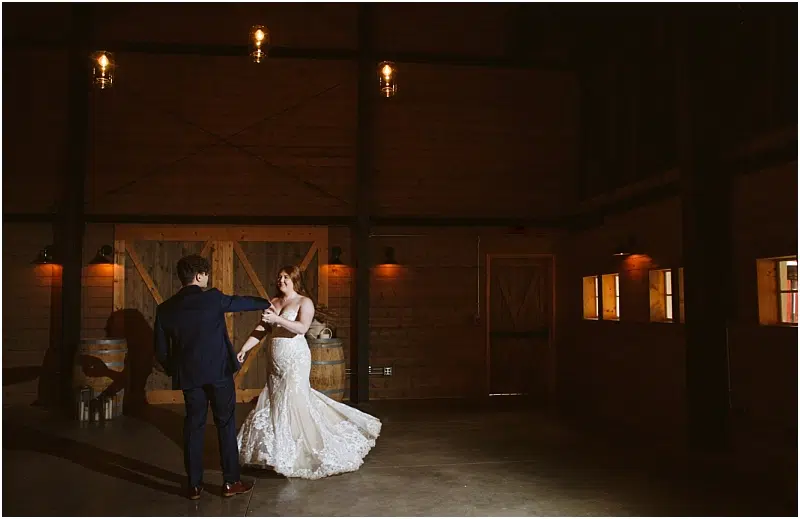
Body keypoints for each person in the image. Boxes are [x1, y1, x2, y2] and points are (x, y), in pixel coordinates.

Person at [236, 265, 381, 479]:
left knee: (294, 400)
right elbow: (261, 329)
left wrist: (277, 319)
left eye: (286, 277)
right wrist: (244, 348)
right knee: (276, 402)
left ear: (295, 280)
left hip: (295, 358)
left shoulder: (304, 302)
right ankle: (278, 452)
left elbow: (302, 328)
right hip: (275, 359)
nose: (281, 280)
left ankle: (300, 450)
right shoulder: (273, 303)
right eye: (279, 277)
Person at [154, 254, 271, 499]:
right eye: (206, 274)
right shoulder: (213, 298)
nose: (207, 278)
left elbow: (161, 352)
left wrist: (174, 369)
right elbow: (241, 303)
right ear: (199, 276)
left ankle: (194, 485)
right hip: (218, 373)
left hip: (189, 376)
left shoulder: (165, 309)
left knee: (193, 427)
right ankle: (230, 482)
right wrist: (266, 302)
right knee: (225, 424)